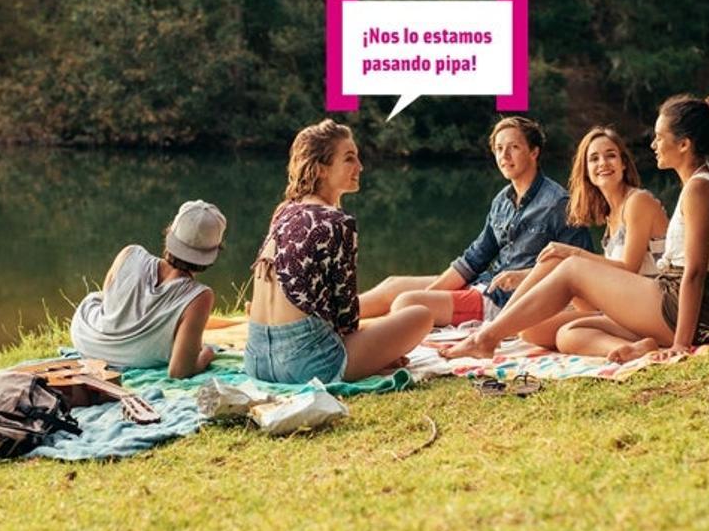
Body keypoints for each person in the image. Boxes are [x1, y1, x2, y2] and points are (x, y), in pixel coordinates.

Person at [441, 94, 709, 362]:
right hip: (674, 306)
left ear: (684, 144)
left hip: (683, 309)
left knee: (572, 267)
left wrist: (681, 344)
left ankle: (485, 338)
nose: (653, 144)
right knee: (568, 333)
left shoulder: (699, 189)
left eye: (660, 137)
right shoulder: (702, 184)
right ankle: (640, 348)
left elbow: (694, 273)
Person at [244, 119, 432, 384]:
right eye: (349, 158)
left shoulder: (284, 211)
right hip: (306, 367)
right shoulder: (336, 221)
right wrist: (377, 352)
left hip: (256, 359)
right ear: (321, 169)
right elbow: (346, 320)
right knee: (421, 316)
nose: (360, 167)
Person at [359, 116, 593, 326]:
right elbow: (475, 258)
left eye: (513, 147)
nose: (504, 156)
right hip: (484, 285)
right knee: (393, 285)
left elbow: (578, 271)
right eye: (499, 149)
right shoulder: (502, 200)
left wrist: (524, 277)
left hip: (507, 304)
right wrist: (433, 293)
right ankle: (334, 320)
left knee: (407, 302)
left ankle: (365, 338)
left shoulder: (560, 203)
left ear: (534, 152)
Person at [510, 126, 669, 350]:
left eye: (610, 155)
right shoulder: (611, 216)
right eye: (594, 159)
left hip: (654, 309)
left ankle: (490, 332)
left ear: (623, 163)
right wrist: (529, 275)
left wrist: (574, 254)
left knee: (562, 259)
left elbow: (628, 269)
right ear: (586, 170)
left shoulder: (638, 202)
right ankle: (632, 348)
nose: (603, 163)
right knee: (530, 330)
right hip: (625, 310)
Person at [70, 200, 225, 378]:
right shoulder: (199, 296)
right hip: (133, 358)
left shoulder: (130, 253)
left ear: (170, 234)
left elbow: (109, 303)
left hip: (86, 339)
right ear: (213, 253)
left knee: (100, 297)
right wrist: (207, 353)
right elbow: (179, 371)